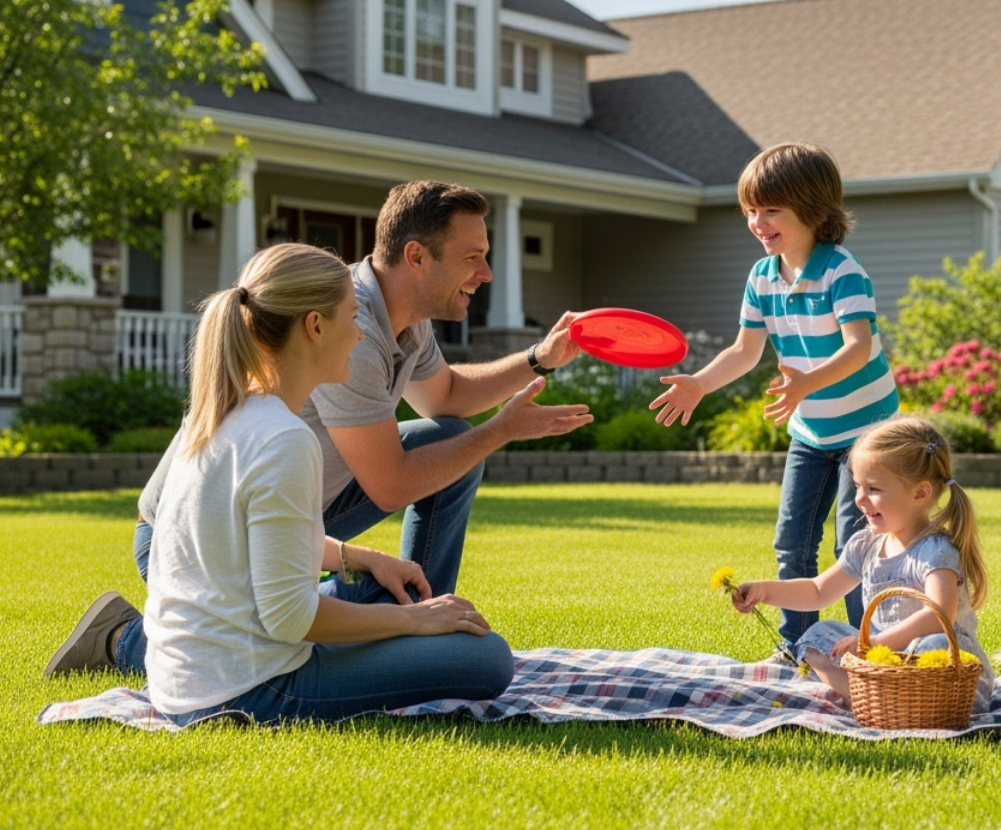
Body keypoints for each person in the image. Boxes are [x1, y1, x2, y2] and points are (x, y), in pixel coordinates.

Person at [45, 181, 592, 678]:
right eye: (473, 258)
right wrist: (499, 431)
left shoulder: (405, 317)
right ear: (416, 257)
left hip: (291, 506)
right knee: (279, 626)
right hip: (188, 537)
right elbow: (391, 485)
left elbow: (446, 395)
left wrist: (539, 357)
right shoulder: (338, 324)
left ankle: (417, 617)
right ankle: (126, 639)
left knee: (447, 438)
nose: (487, 274)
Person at [84, 243, 511, 723]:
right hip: (254, 689)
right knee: (488, 658)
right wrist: (415, 622)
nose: (359, 334)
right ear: (314, 326)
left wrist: (363, 558)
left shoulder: (227, 410)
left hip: (196, 675)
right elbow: (289, 619)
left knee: (393, 591)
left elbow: (259, 546)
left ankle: (124, 640)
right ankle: (124, 640)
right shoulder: (285, 439)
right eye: (353, 319)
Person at [650, 143, 899, 657]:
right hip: (811, 432)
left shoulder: (842, 271)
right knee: (792, 543)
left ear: (812, 209)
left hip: (867, 434)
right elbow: (745, 350)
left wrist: (806, 382)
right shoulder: (762, 277)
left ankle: (869, 651)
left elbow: (859, 347)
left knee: (855, 547)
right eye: (749, 211)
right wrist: (699, 382)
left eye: (770, 210)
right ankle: (798, 645)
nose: (757, 222)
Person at [729, 417, 994, 706]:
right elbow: (819, 591)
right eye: (857, 486)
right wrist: (765, 591)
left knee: (934, 645)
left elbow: (938, 615)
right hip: (884, 661)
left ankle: (890, 697)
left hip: (947, 672)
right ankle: (874, 698)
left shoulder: (935, 551)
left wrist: (876, 643)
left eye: (874, 489)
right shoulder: (866, 545)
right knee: (817, 637)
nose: (859, 499)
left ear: (920, 493)